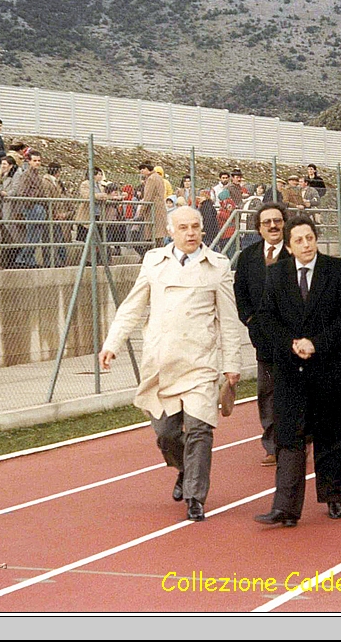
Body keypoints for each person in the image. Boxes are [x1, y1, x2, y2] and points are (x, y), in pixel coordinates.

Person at [99, 206, 242, 522]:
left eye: (195, 227)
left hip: (200, 363)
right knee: (165, 433)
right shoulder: (154, 262)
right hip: (162, 362)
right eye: (183, 228)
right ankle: (183, 468)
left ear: (203, 230)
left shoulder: (217, 266)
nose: (190, 233)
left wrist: (231, 363)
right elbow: (132, 307)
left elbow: (229, 321)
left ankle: (195, 497)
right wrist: (112, 343)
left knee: (199, 429)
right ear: (171, 232)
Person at [251, 215, 341, 527]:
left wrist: (317, 343)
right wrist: (291, 344)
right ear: (288, 245)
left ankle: (333, 496)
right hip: (291, 371)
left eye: (310, 238)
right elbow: (265, 317)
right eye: (299, 240)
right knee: (289, 438)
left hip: (331, 368)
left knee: (332, 436)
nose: (306, 245)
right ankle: (285, 507)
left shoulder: (338, 270)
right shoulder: (277, 275)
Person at [233, 202, 290, 467]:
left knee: (296, 390)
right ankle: (272, 444)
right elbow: (241, 293)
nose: (273, 226)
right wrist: (251, 321)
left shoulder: (296, 253)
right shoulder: (248, 257)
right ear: (259, 228)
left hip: (295, 339)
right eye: (266, 222)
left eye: (277, 221)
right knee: (267, 392)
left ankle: (297, 439)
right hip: (264, 341)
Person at [138, 162, 168, 248]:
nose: (141, 171)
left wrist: (141, 212)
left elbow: (148, 197)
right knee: (159, 236)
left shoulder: (151, 179)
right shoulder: (158, 177)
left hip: (153, 210)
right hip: (159, 208)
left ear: (148, 169)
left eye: (143, 169)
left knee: (152, 235)